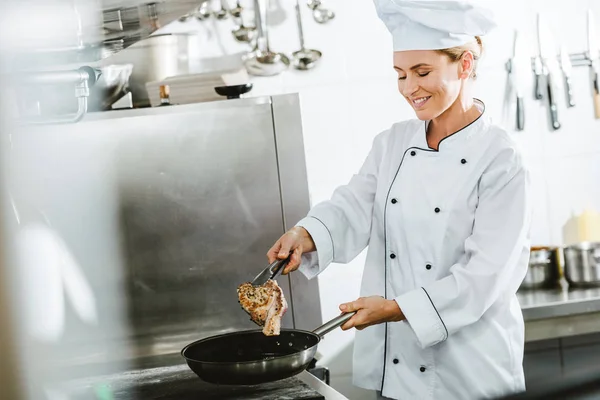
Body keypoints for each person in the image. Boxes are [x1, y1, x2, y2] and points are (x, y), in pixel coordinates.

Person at [267, 0, 532, 399]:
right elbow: (354, 206)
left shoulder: (501, 159)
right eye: (401, 74)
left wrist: (395, 309)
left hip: (470, 375)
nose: (410, 88)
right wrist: (307, 234)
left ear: (464, 65)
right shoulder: (393, 142)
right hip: (398, 375)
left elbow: (484, 278)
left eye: (423, 72)